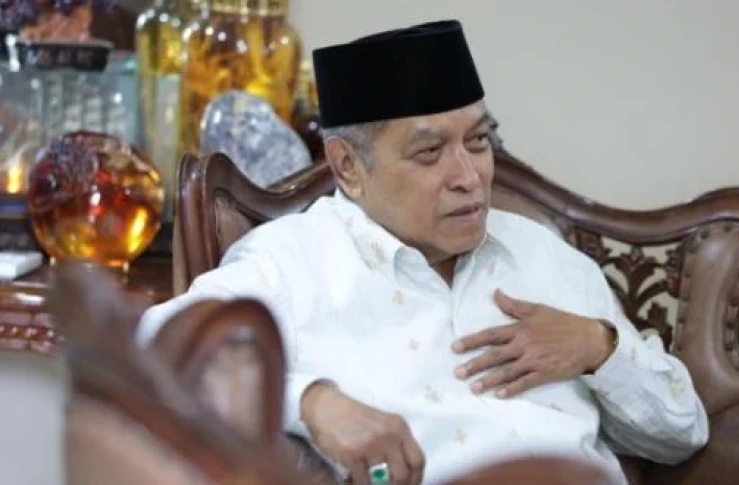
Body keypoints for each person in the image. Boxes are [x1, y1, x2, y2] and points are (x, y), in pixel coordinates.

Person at [138, 19, 708, 485]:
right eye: (429, 153)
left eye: (478, 141)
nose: (469, 176)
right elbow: (154, 350)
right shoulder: (293, 262)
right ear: (348, 166)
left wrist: (598, 347)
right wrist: (313, 403)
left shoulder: (544, 256)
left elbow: (683, 433)